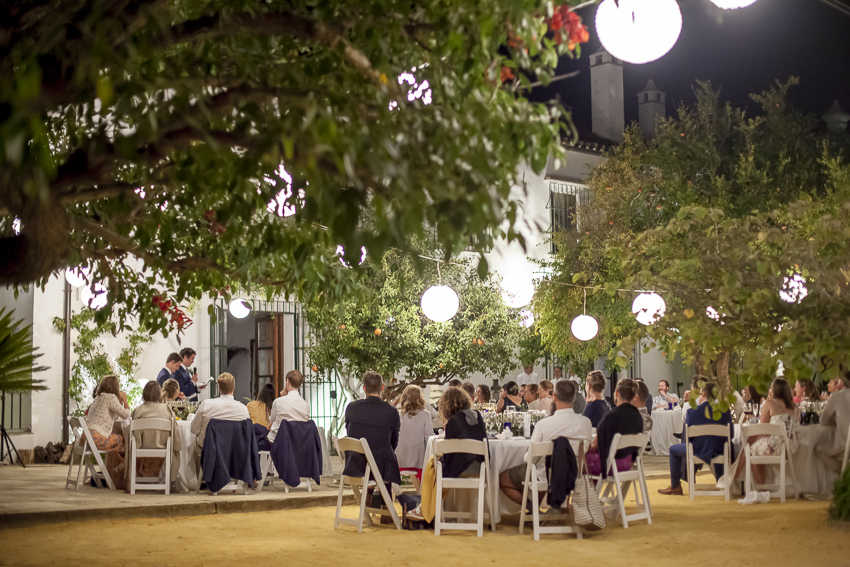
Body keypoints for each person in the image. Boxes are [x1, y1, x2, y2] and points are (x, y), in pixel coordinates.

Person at [500, 380, 592, 505]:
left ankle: (532, 508)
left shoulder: (544, 424)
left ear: (554, 397)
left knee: (503, 478)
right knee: (537, 469)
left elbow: (530, 458)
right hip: (573, 474)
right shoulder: (585, 423)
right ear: (574, 398)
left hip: (545, 475)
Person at [658, 380, 732, 495]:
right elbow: (731, 434)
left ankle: (676, 485)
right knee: (718, 444)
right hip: (719, 450)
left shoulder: (692, 412)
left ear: (703, 394)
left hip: (697, 450)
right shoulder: (725, 412)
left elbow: (687, 438)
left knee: (673, 449)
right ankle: (722, 480)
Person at [733, 377, 800, 486]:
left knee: (750, 448)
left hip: (775, 446)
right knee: (751, 443)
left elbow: (762, 429)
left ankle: (756, 484)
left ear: (774, 390)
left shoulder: (770, 403)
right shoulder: (795, 406)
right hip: (792, 446)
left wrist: (751, 440)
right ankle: (737, 473)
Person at [343, 371, 401, 487]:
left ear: (364, 388)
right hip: (381, 468)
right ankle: (385, 502)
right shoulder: (391, 411)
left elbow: (350, 433)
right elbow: (394, 442)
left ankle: (371, 494)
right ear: (383, 387)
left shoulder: (351, 408)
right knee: (388, 454)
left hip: (355, 465)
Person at [586, 379, 644, 478]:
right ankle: (592, 492)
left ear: (617, 393)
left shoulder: (611, 416)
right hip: (628, 463)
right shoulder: (637, 416)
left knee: (576, 462)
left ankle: (586, 493)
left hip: (610, 465)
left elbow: (595, 446)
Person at [128, 381, 181, 485]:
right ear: (158, 394)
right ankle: (171, 481)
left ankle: (131, 481)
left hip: (141, 447)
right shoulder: (166, 409)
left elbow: (132, 433)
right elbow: (175, 431)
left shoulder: (138, 410)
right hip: (163, 447)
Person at [85, 375, 131, 488]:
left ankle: (117, 469)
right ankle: (122, 472)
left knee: (119, 439)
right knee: (127, 443)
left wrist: (119, 403)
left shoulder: (99, 398)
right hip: (97, 439)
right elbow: (126, 415)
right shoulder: (110, 398)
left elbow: (112, 416)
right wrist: (124, 400)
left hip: (87, 439)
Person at [190, 372, 250, 453]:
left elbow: (194, 430)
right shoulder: (243, 409)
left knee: (196, 443)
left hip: (209, 453)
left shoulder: (206, 404)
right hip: (234, 454)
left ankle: (199, 466)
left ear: (219, 388)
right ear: (234, 387)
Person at [439, 387, 487, 478]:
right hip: (480, 467)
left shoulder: (453, 421)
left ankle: (432, 492)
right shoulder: (477, 416)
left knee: (432, 464)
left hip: (458, 470)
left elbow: (448, 454)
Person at [395, 385, 433, 483]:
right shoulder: (425, 414)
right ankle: (423, 495)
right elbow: (429, 438)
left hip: (399, 459)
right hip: (418, 460)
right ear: (420, 398)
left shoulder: (397, 413)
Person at [268, 370, 310, 444]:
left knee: (257, 430)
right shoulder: (306, 405)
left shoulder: (278, 402)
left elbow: (271, 421)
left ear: (288, 382)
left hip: (278, 443)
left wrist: (281, 397)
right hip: (298, 443)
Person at [820, 371, 850, 471]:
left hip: (846, 447)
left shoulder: (837, 396)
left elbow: (823, 421)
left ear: (841, 383)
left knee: (819, 449)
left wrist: (837, 419)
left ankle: (843, 476)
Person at [248, 383, 277, 450]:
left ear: (260, 393)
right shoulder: (273, 408)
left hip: (252, 442)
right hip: (268, 443)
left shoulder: (251, 405)